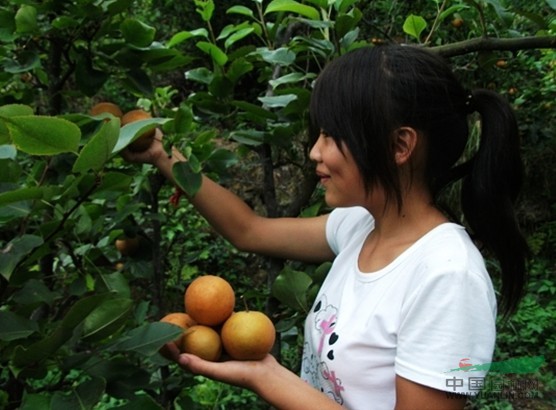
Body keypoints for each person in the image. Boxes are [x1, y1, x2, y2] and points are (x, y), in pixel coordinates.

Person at [123, 44, 528, 410]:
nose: (315, 151)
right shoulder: (361, 226)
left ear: (399, 146)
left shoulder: (447, 275)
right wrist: (163, 154)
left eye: (333, 135)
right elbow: (248, 229)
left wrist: (267, 378)